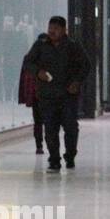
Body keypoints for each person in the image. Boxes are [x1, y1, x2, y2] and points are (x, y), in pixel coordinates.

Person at [24, 16, 91, 171]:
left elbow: (85, 65)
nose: (52, 31)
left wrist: (77, 82)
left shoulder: (73, 46)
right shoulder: (40, 45)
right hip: (47, 95)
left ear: (64, 30)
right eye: (50, 27)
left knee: (71, 127)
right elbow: (28, 62)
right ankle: (54, 159)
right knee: (50, 129)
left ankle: (70, 155)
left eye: (55, 28)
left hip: (68, 95)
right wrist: (38, 72)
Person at [18, 33, 49, 155]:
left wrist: (26, 95)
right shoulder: (47, 57)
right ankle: (44, 145)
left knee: (38, 121)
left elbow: (24, 79)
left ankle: (39, 145)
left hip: (36, 94)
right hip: (45, 94)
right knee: (47, 121)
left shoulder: (29, 58)